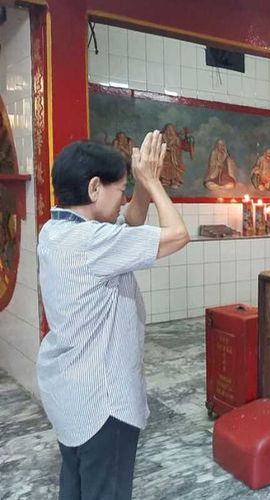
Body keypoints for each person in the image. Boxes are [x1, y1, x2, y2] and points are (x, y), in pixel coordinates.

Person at [36, 132, 189, 500]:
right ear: (94, 188)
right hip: (103, 403)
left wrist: (140, 186)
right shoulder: (93, 243)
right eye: (119, 190)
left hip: (70, 391)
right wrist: (153, 181)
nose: (123, 199)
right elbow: (178, 235)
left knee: (76, 482)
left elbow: (131, 222)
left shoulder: (55, 231)